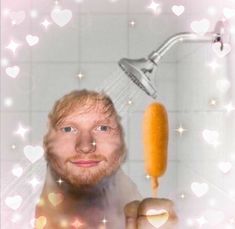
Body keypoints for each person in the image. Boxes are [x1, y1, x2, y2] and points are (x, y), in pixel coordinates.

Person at [35, 89, 177, 229]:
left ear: (121, 140)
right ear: (47, 142)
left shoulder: (133, 203)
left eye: (102, 128)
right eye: (68, 129)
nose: (85, 146)